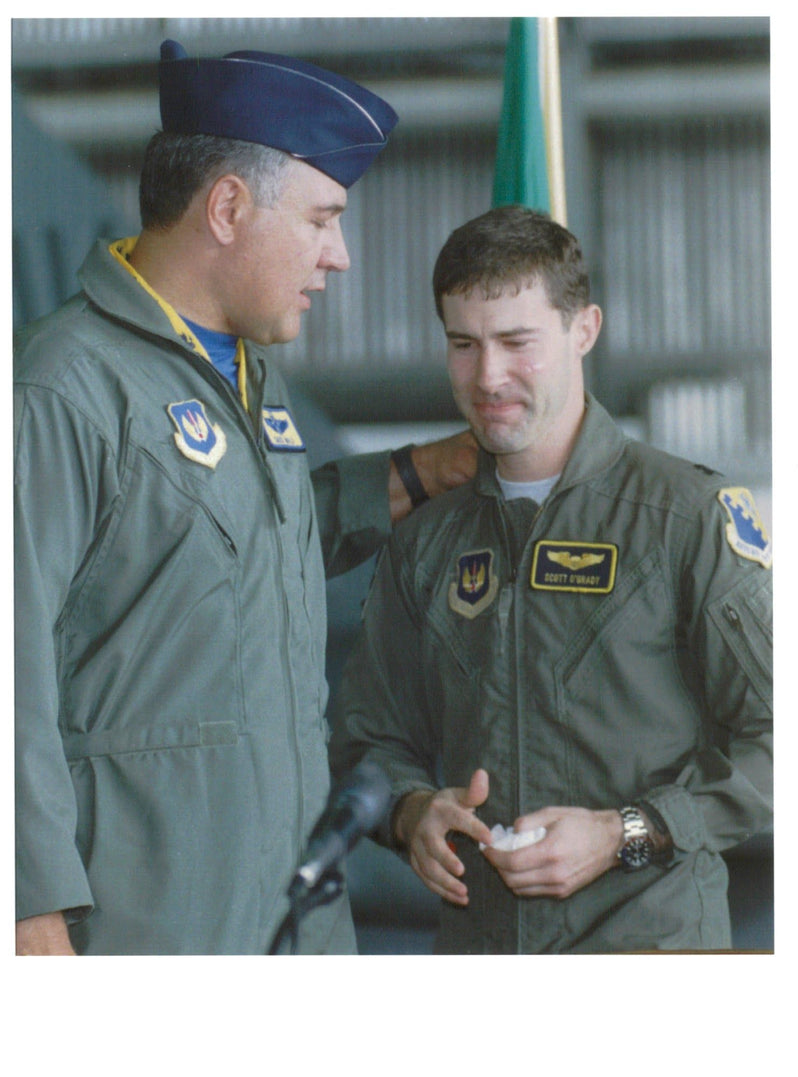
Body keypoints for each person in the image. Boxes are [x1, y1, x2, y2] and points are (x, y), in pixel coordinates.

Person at [14, 40, 476, 956]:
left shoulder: (245, 375)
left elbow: (229, 536)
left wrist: (429, 470)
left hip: (292, 918)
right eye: (321, 218)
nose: (339, 255)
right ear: (227, 207)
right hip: (146, 933)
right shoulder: (63, 388)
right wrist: (29, 915)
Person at [330, 204, 773, 953]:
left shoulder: (684, 518)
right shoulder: (426, 542)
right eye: (463, 344)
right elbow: (369, 740)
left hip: (656, 963)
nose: (487, 376)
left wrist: (626, 832)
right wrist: (412, 815)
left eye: (516, 342)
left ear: (584, 330)